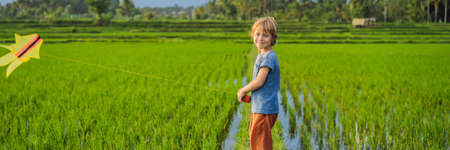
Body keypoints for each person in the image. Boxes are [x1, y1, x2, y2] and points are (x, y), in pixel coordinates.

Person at [237, 17, 280, 150]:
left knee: (261, 144)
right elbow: (265, 86)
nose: (260, 38)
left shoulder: (268, 57)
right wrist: (252, 98)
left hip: (264, 109)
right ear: (252, 35)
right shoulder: (262, 55)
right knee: (256, 139)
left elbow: (260, 81)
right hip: (261, 107)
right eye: (258, 34)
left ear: (273, 38)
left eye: (265, 35)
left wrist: (243, 90)